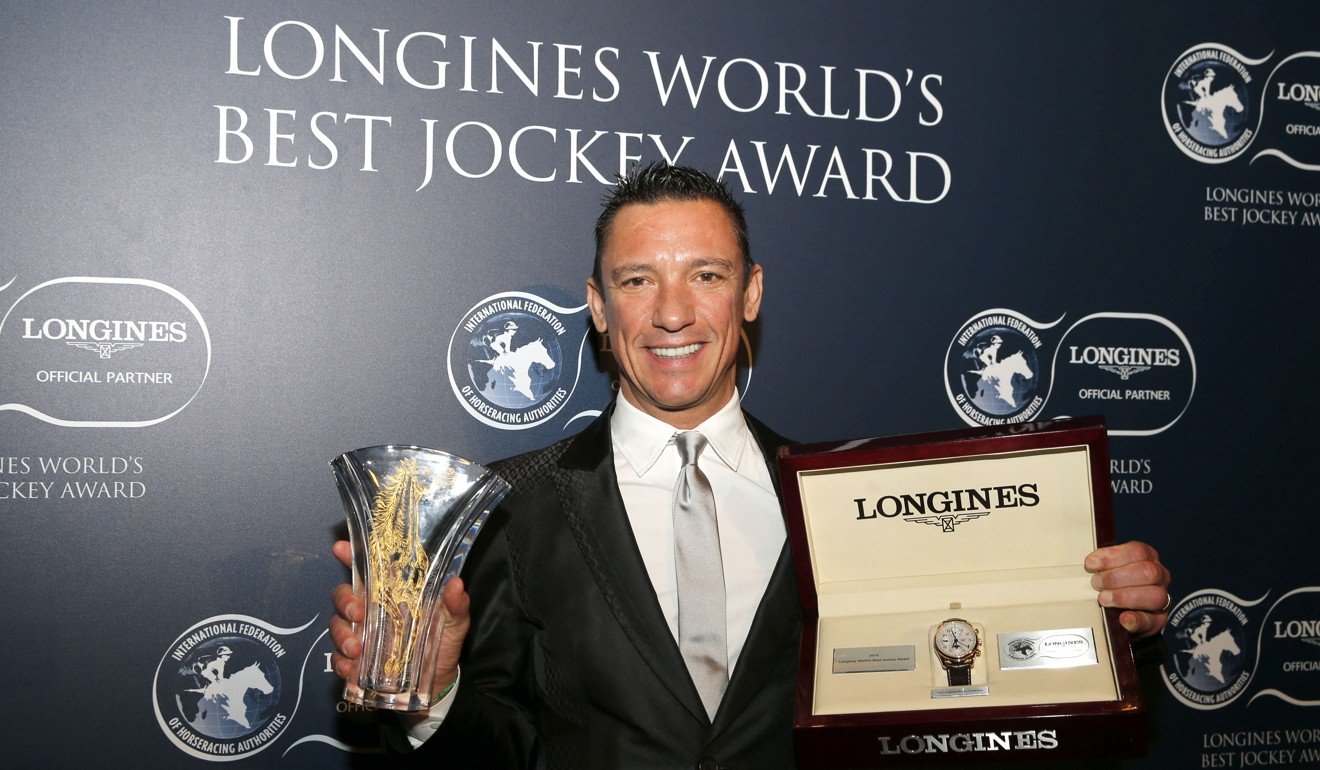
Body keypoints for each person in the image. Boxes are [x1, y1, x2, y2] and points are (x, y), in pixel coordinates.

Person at [329, 163, 1172, 768]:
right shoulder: (511, 506)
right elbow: (500, 749)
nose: (671, 313)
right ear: (596, 305)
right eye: (635, 280)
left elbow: (958, 689)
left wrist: (1095, 624)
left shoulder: (850, 498)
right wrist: (434, 693)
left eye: (706, 275)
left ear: (752, 293)